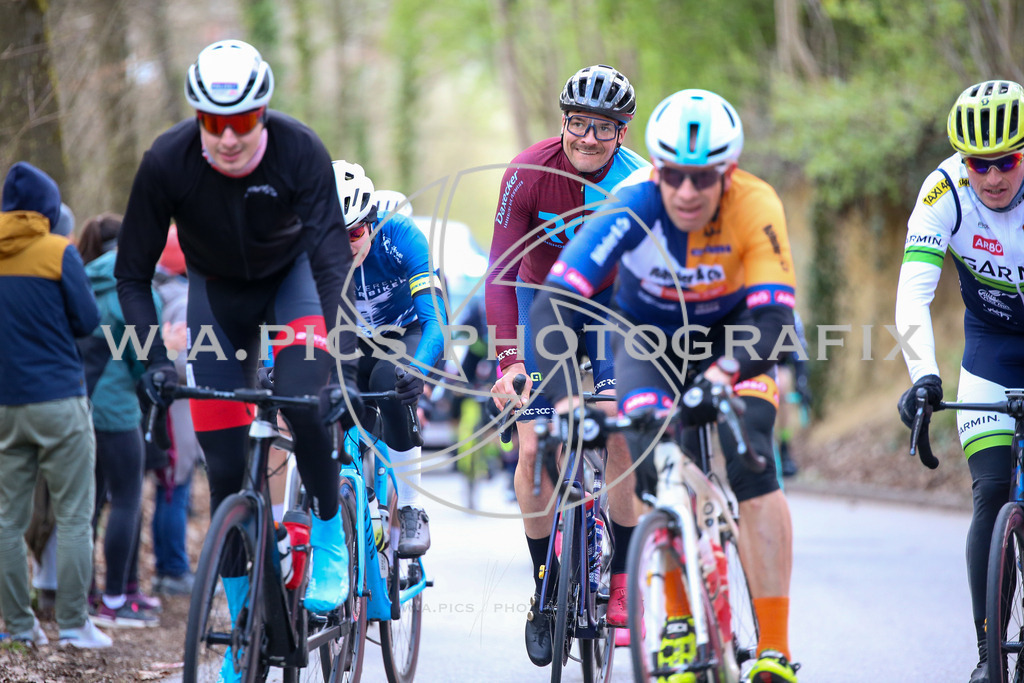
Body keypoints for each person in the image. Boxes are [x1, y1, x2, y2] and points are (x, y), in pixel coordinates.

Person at [530, 88, 801, 682]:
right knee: (651, 466)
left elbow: (776, 320)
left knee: (752, 457)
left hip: (735, 338)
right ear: (657, 168)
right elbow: (554, 308)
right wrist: (570, 404)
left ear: (727, 173)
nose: (685, 191)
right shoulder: (630, 205)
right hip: (648, 341)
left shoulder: (756, 203)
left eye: (702, 178)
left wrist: (725, 376)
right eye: (673, 175)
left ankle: (776, 650)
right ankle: (677, 617)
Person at [114, 40, 360, 679]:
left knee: (307, 406)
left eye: (243, 121)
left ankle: (329, 532)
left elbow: (332, 255)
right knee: (223, 474)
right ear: (198, 116)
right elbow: (132, 275)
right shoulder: (167, 161)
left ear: (264, 113)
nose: (227, 138)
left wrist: (329, 359)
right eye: (213, 123)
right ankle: (247, 625)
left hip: (292, 283)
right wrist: (152, 363)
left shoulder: (298, 149)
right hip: (217, 299)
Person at [484, 64, 650, 664]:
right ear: (563, 122)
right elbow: (501, 271)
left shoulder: (641, 183)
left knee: (616, 427)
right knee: (534, 446)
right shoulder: (527, 173)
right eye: (577, 122)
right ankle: (544, 585)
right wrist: (507, 362)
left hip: (613, 306)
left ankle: (624, 579)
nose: (587, 137)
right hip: (544, 302)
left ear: (623, 133)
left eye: (603, 128)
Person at [895, 79, 1024, 683]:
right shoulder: (943, 189)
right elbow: (913, 294)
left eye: (1008, 161)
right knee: (991, 493)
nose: (993, 177)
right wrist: (924, 374)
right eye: (980, 164)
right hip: (992, 345)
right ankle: (987, 653)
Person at [0, 161, 111, 648]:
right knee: (72, 514)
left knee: (7, 517)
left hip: (5, 403)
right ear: (47, 208)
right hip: (60, 400)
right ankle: (72, 625)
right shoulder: (57, 251)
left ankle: (19, 628)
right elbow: (87, 320)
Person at [335, 161, 448, 555]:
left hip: (405, 331)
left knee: (389, 383)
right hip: (350, 337)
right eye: (335, 234)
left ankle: (414, 508)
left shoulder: (401, 235)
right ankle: (354, 502)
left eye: (354, 232)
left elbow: (436, 320)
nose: (346, 244)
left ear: (371, 220)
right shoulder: (311, 247)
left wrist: (418, 370)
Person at [76, 213, 162, 629]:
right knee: (126, 499)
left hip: (77, 406)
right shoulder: (136, 287)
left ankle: (91, 595)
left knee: (87, 506)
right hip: (118, 409)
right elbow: (142, 358)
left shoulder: (77, 278)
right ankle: (116, 600)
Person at [149, 225, 199, 597]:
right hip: (177, 408)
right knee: (174, 486)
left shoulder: (155, 291)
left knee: (170, 487)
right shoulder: (182, 299)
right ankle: (173, 570)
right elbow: (180, 361)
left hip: (167, 408)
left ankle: (170, 567)